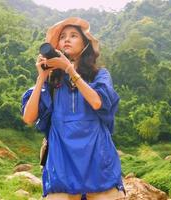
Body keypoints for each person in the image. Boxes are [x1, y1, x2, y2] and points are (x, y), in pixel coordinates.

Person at [21, 17, 125, 200]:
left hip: (97, 158)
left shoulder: (99, 75)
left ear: (85, 45)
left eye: (73, 35)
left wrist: (70, 70)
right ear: (58, 46)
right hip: (61, 161)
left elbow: (97, 102)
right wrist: (41, 78)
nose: (66, 39)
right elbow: (28, 118)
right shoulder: (52, 82)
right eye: (62, 37)